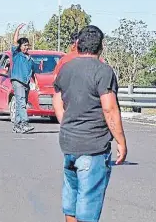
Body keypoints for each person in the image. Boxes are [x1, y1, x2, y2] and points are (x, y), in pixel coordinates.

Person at [53, 25, 127, 222]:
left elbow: (57, 99)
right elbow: (109, 108)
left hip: (68, 145)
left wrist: (65, 122)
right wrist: (121, 141)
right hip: (92, 148)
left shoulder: (66, 68)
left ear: (78, 45)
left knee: (71, 205)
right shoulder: (103, 71)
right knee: (87, 208)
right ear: (101, 47)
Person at [10, 23, 35, 134]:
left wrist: (35, 82)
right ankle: (25, 123)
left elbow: (32, 71)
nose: (26, 47)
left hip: (26, 82)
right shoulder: (16, 54)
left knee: (22, 103)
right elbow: (15, 41)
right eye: (24, 45)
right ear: (20, 46)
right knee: (21, 102)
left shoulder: (29, 58)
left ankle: (17, 125)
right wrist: (18, 29)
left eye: (27, 45)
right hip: (18, 81)